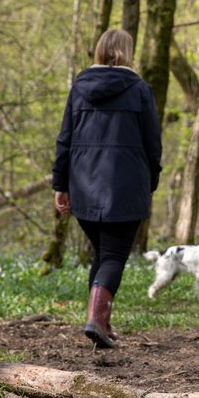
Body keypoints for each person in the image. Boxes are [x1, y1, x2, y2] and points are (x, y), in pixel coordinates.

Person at [52, 28, 161, 349]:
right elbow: (152, 143)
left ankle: (100, 322)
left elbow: (64, 139)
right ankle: (97, 320)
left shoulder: (79, 87)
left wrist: (61, 184)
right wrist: (150, 180)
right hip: (125, 185)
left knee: (103, 254)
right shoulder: (139, 89)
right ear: (127, 51)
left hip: (83, 185)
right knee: (113, 255)